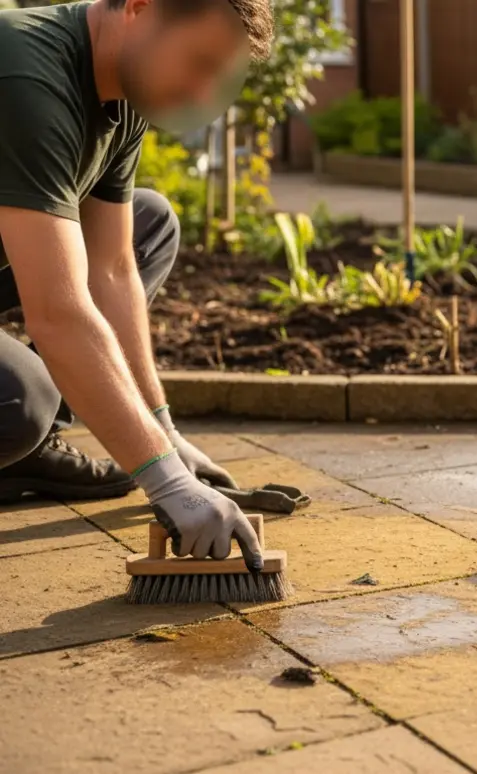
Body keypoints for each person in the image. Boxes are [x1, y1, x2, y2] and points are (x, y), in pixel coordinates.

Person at [0, 0, 274, 567]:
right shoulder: (25, 74)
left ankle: (22, 454)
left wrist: (163, 434)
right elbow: (59, 312)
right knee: (16, 404)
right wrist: (166, 481)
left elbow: (113, 269)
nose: (202, 94)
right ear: (139, 8)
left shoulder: (123, 95)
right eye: (197, 62)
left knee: (150, 224)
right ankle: (21, 437)